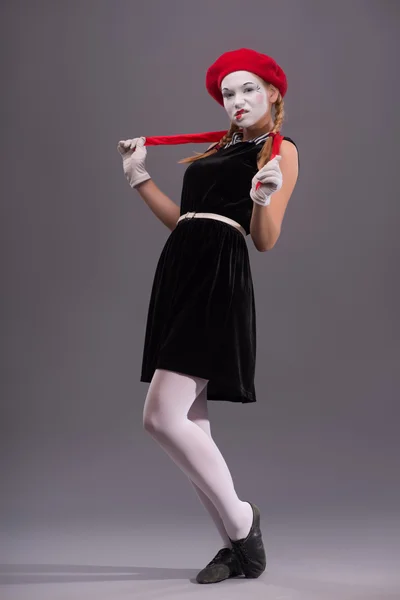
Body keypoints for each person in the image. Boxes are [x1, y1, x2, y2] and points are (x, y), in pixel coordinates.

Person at [117, 48, 299, 584]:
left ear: (272, 93)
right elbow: (186, 221)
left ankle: (243, 521)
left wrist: (263, 198)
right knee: (191, 422)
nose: (237, 101)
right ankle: (236, 548)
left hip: (218, 276)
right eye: (227, 93)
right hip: (181, 269)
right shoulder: (222, 147)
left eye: (248, 89)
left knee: (160, 418)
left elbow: (264, 241)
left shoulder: (278, 149)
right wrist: (138, 178)